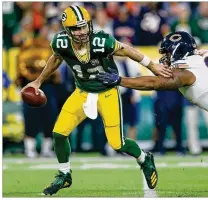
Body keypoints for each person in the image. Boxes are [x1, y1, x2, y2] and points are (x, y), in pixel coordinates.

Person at [96, 31, 208, 193]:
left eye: (167, 52)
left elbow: (153, 83)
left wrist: (120, 80)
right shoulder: (203, 57)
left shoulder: (185, 72)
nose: (164, 57)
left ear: (176, 51)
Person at [22, 5, 170, 195]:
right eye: (77, 28)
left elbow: (126, 50)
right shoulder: (60, 42)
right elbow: (56, 58)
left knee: (117, 144)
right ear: (67, 30)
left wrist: (152, 66)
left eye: (85, 26)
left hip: (106, 92)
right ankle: (64, 174)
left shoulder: (101, 40)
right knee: (59, 133)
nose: (82, 31)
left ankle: (144, 158)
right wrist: (38, 81)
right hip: (82, 92)